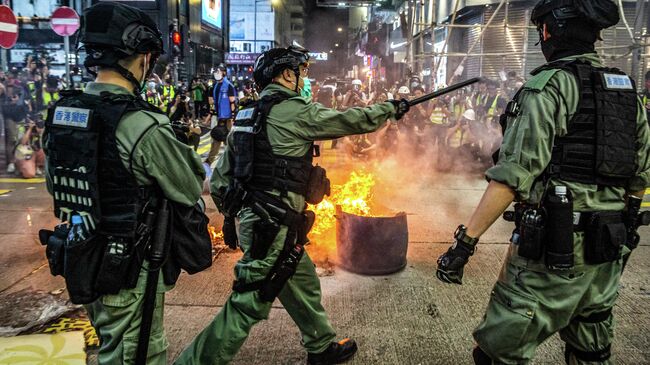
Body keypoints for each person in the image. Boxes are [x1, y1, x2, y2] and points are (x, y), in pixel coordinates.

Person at [436, 0, 650, 364]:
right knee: (591, 349)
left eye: (542, 29)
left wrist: (464, 245)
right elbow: (639, 175)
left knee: (498, 352)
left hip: (554, 252)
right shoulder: (627, 90)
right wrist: (626, 226)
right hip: (608, 250)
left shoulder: (547, 88)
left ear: (552, 30)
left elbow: (511, 177)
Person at [174, 45, 409, 365]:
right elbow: (349, 121)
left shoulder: (245, 115)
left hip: (263, 225)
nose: (305, 80)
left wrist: (232, 217)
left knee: (304, 282)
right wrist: (389, 109)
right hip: (274, 228)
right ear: (287, 74)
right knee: (247, 304)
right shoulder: (295, 111)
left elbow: (220, 181)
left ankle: (321, 346)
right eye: (303, 73)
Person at [42, 3, 206, 364]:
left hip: (82, 253)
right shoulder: (141, 124)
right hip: (128, 266)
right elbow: (190, 185)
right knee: (137, 354)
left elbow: (55, 185)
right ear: (143, 59)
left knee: (108, 344)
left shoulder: (62, 113)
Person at [205, 63, 237, 165]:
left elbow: (232, 102)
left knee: (228, 141)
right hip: (219, 118)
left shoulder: (229, 86)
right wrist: (210, 116)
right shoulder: (215, 86)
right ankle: (208, 163)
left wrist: (232, 117)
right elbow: (213, 103)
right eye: (216, 72)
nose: (217, 74)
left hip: (228, 119)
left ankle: (234, 163)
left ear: (224, 73)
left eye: (219, 71)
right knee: (216, 140)